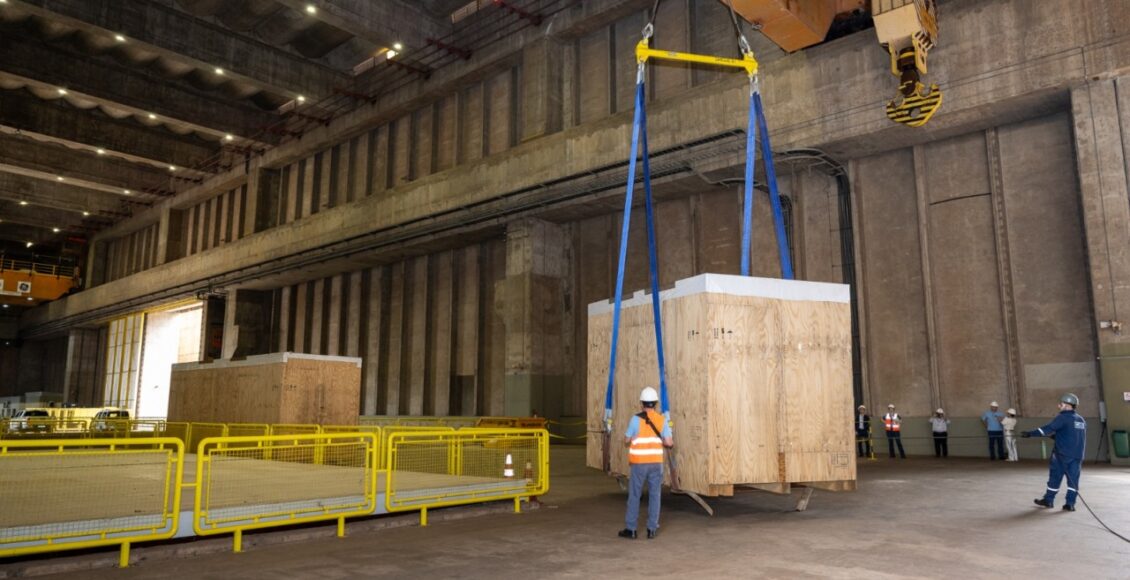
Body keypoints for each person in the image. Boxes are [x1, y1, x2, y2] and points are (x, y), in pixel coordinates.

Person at [619, 386, 673, 540]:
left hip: (639, 464)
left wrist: (633, 437)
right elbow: (669, 443)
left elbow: (626, 440)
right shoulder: (662, 420)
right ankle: (651, 529)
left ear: (641, 403)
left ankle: (631, 530)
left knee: (635, 495)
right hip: (656, 464)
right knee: (655, 495)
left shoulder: (635, 419)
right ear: (655, 404)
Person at [1023, 393, 1086, 511]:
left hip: (1061, 456)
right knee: (1073, 481)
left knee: (1055, 478)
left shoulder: (1062, 417)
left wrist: (1030, 434)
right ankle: (1070, 504)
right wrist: (1056, 437)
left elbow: (1047, 429)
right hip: (1077, 456)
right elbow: (1073, 435)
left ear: (1067, 405)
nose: (1059, 406)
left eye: (1061, 404)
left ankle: (1049, 500)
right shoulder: (1080, 419)